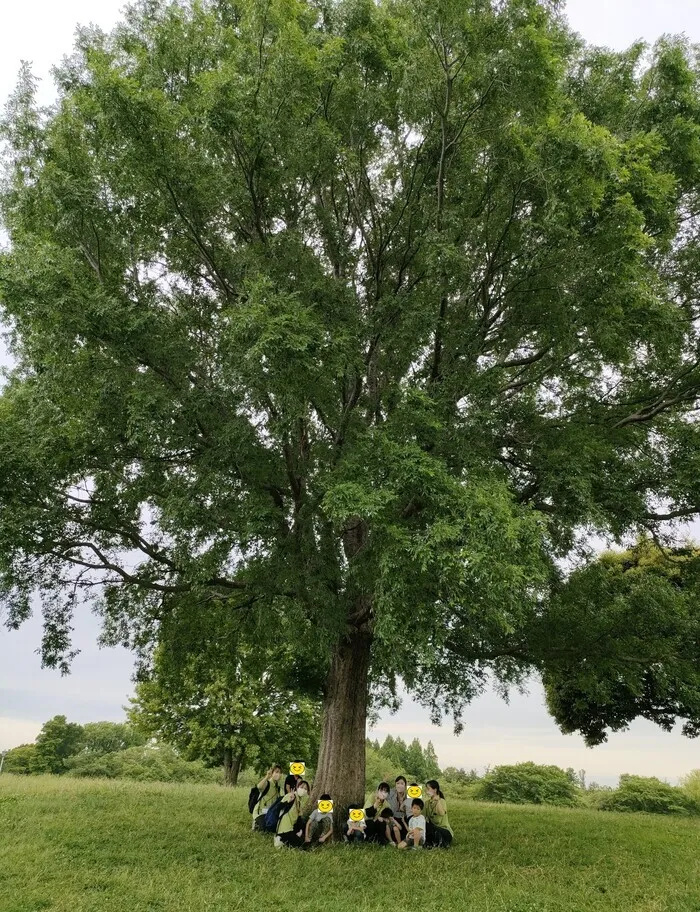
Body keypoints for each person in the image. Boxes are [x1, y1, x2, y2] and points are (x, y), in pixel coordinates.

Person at [275, 777, 310, 848]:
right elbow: (277, 808)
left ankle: (288, 840)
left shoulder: (299, 801)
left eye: (305, 789)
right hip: (285, 829)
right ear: (297, 787)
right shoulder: (290, 795)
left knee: (302, 842)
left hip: (292, 827)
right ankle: (280, 840)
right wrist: (288, 801)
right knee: (301, 846)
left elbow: (299, 818)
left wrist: (300, 830)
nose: (303, 790)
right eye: (302, 787)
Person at [252, 765, 282, 830]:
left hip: (270, 813)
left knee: (274, 827)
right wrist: (267, 777)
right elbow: (259, 787)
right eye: (276, 772)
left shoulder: (277, 787)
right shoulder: (267, 783)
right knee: (264, 827)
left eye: (280, 773)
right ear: (272, 773)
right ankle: (256, 823)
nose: (278, 774)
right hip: (260, 812)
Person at [424, 780, 453, 848]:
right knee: (425, 824)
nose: (426, 791)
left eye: (428, 789)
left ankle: (439, 842)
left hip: (444, 831)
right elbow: (422, 817)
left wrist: (437, 801)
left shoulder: (442, 801)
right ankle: (433, 843)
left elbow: (441, 813)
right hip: (433, 830)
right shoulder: (427, 803)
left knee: (435, 830)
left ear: (435, 790)